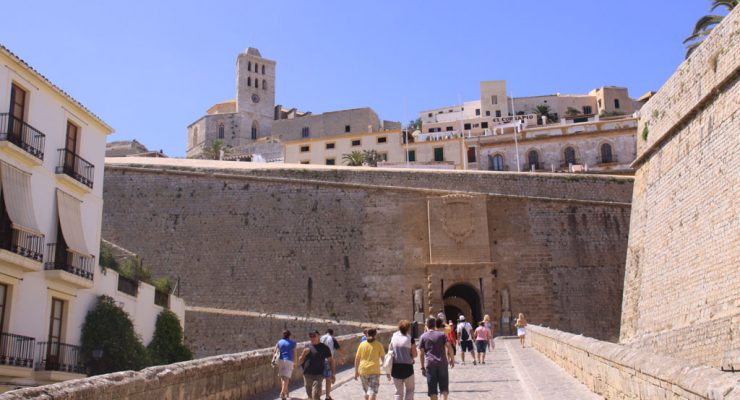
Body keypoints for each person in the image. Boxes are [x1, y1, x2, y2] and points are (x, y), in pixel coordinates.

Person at [418, 318, 455, 400]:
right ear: (434, 325)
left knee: (432, 391)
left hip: (430, 364)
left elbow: (421, 353)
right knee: (444, 388)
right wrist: (452, 359)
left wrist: (422, 367)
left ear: (426, 325)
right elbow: (449, 346)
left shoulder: (423, 336)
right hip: (442, 363)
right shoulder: (442, 334)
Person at [298, 330, 335, 400]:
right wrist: (303, 354)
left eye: (314, 336)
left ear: (319, 336)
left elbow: (331, 361)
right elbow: (300, 361)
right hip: (307, 374)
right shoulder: (307, 346)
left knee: (316, 395)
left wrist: (333, 374)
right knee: (310, 397)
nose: (312, 338)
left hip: (319, 375)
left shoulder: (324, 348)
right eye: (310, 336)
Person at [354, 328, 387, 400]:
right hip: (374, 371)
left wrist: (356, 372)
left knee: (366, 392)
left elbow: (357, 359)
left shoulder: (362, 345)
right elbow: (383, 359)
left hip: (363, 371)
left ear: (367, 335)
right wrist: (387, 371)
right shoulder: (379, 345)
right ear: (375, 335)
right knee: (372, 392)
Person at [390, 320, 417, 400]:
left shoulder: (393, 337)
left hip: (395, 367)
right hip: (407, 367)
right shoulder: (410, 339)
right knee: (410, 390)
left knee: (398, 392)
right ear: (408, 328)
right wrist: (411, 357)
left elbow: (390, 350)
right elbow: (415, 354)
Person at [320, 329, 346, 400]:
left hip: (318, 360)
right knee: (328, 379)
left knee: (319, 378)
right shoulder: (332, 339)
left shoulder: (320, 337)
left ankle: (316, 396)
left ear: (326, 333)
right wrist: (343, 356)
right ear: (332, 333)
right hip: (328, 360)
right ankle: (327, 396)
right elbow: (338, 349)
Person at [274, 330, 297, 400]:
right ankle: (282, 392)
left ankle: (286, 392)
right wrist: (295, 362)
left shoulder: (279, 342)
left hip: (280, 360)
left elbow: (275, 351)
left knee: (283, 377)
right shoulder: (293, 343)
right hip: (289, 360)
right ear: (289, 335)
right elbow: (294, 353)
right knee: (286, 377)